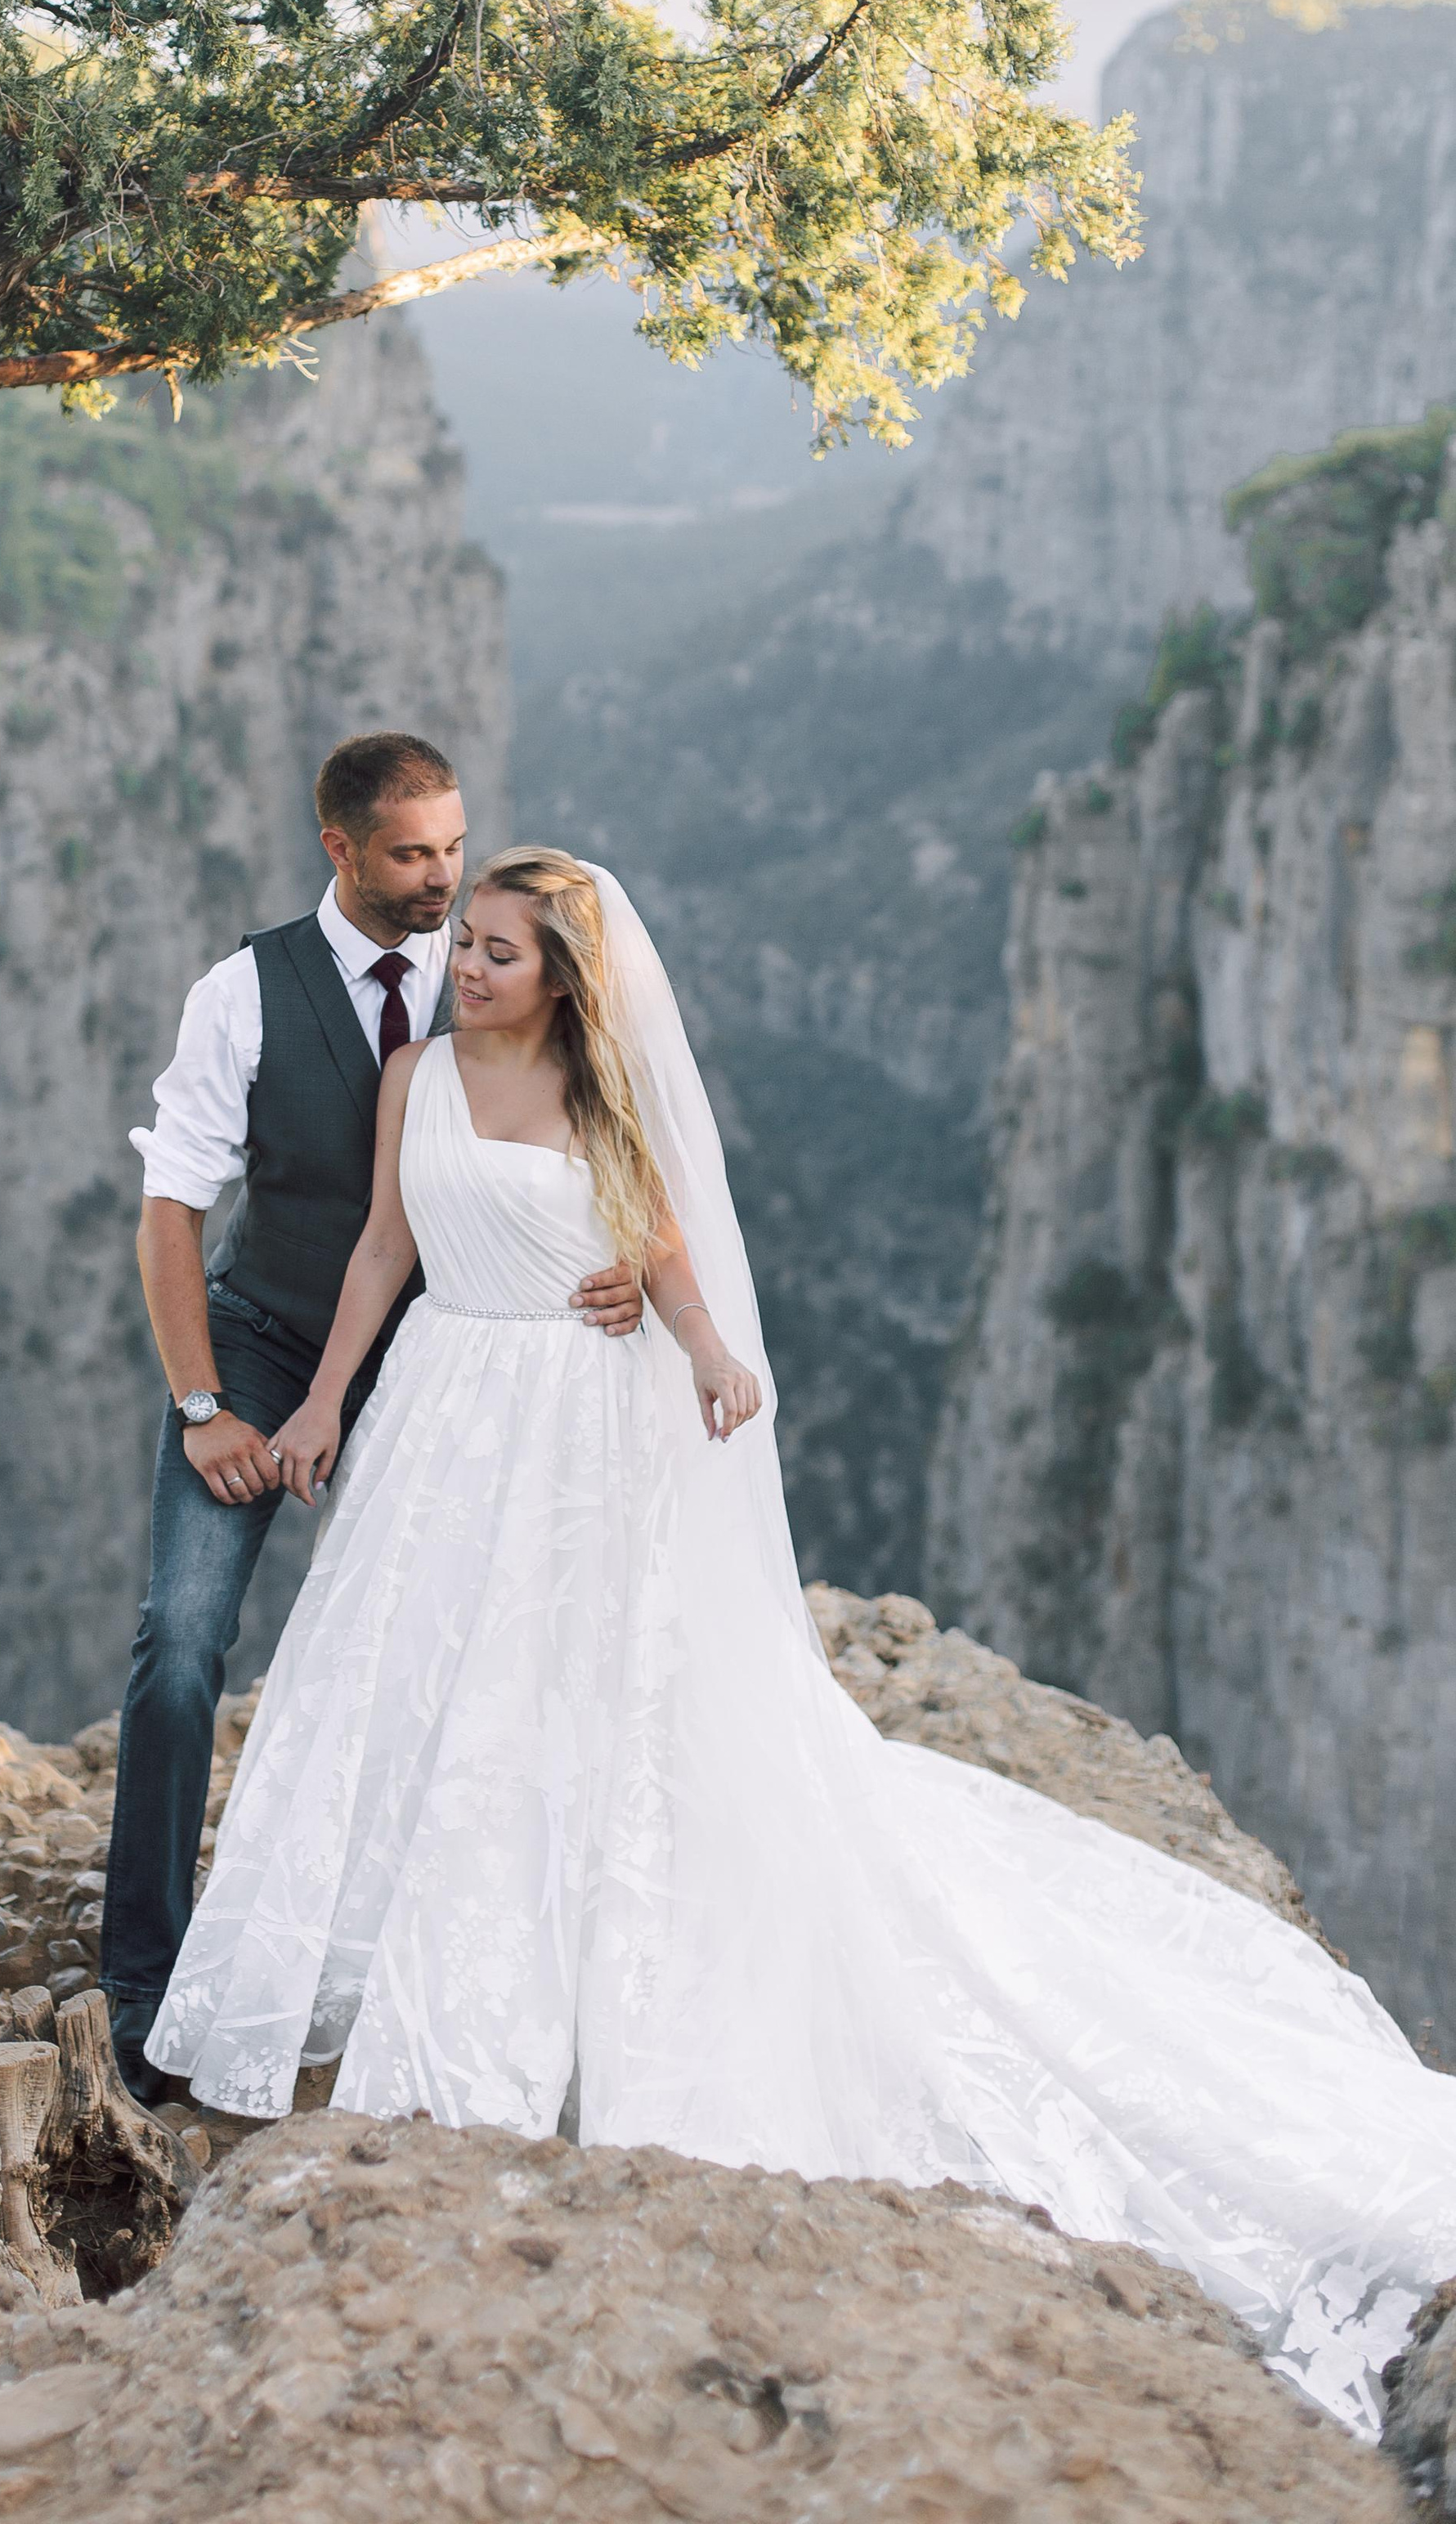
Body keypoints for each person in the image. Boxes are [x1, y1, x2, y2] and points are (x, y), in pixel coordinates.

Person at [149, 845, 1456, 2438]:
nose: (466, 965)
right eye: (465, 942)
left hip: (571, 1420)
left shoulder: (595, 1086)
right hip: (441, 1419)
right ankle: (447, 1981)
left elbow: (666, 1237)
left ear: (562, 976)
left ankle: (558, 2000)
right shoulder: (411, 1069)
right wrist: (322, 1398)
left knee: (555, 1708)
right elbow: (377, 1250)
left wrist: (703, 1352)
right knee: (423, 1698)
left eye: (496, 950)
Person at [103, 745, 644, 2105]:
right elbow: (171, 1212)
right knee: (180, 1644)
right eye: (413, 856)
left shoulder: (503, 974)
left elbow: (616, 1145)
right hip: (272, 1345)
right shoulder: (243, 995)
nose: (444, 879)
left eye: (455, 847)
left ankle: (441, 1970)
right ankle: (145, 1979)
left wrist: (626, 1256)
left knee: (473, 1660)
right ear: (340, 848)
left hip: (463, 1359)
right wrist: (207, 1406)